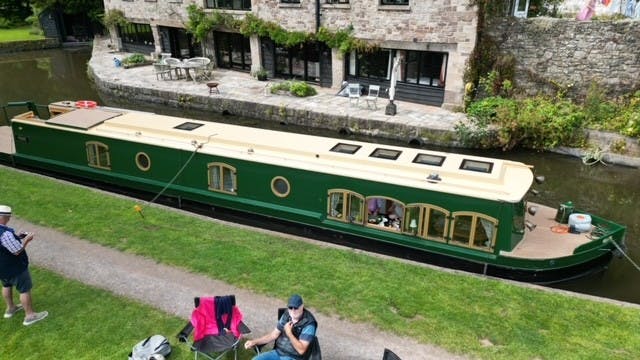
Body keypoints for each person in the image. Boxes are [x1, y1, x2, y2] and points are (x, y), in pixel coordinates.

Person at [0, 205, 48, 326]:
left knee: (6, 285)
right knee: (24, 290)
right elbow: (17, 251)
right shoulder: (4, 233)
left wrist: (17, 236)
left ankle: (10, 309)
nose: (9, 219)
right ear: (4, 217)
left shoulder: (5, 233)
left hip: (2, 269)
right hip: (14, 267)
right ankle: (30, 316)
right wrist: (27, 239)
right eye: (8, 217)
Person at [244, 294, 319, 360]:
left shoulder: (309, 323)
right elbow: (273, 335)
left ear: (302, 306)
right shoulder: (286, 315)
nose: (293, 310)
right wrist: (254, 342)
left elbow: (301, 350)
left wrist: (289, 333)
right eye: (290, 307)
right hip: (278, 353)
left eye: (296, 308)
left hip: (294, 357)